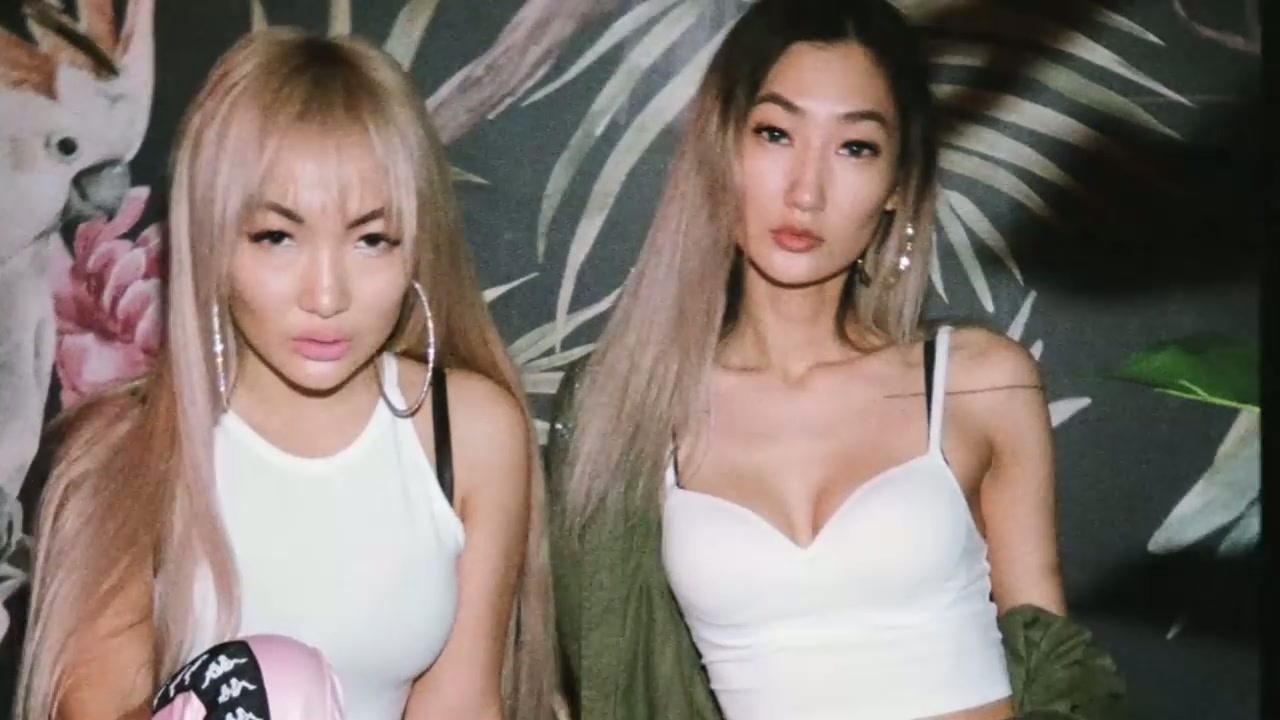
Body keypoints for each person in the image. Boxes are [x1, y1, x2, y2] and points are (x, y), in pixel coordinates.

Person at [546, 0, 1125, 718]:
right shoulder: (625, 410)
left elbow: (1054, 663)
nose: (806, 191)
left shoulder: (978, 380)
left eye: (855, 147)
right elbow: (606, 679)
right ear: (721, 149)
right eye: (775, 133)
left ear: (897, 185)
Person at [18, 28, 558, 720]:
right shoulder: (124, 452)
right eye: (277, 237)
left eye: (371, 239)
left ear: (416, 246)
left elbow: (461, 703)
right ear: (212, 241)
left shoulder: (472, 433)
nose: (326, 295)